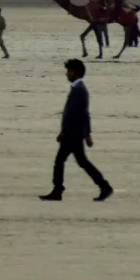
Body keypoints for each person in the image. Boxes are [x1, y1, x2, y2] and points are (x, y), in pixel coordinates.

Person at [39, 59, 113, 202]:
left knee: (74, 161)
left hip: (73, 134)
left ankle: (103, 186)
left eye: (69, 71)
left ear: (76, 72)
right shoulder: (77, 88)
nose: (67, 74)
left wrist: (82, 134)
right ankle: (58, 190)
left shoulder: (79, 90)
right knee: (70, 161)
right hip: (73, 132)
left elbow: (81, 114)